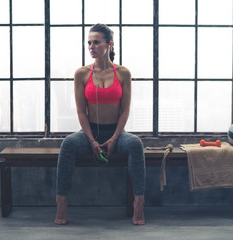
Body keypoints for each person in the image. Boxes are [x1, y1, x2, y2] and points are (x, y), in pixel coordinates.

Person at [54, 23, 146, 225]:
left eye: (96, 42)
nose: (91, 46)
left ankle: (138, 203)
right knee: (68, 143)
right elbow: (80, 111)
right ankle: (61, 203)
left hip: (116, 133)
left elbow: (124, 110)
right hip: (89, 132)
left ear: (109, 44)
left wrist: (114, 138)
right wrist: (91, 141)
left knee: (135, 143)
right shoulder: (82, 73)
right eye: (89, 43)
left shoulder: (123, 73)